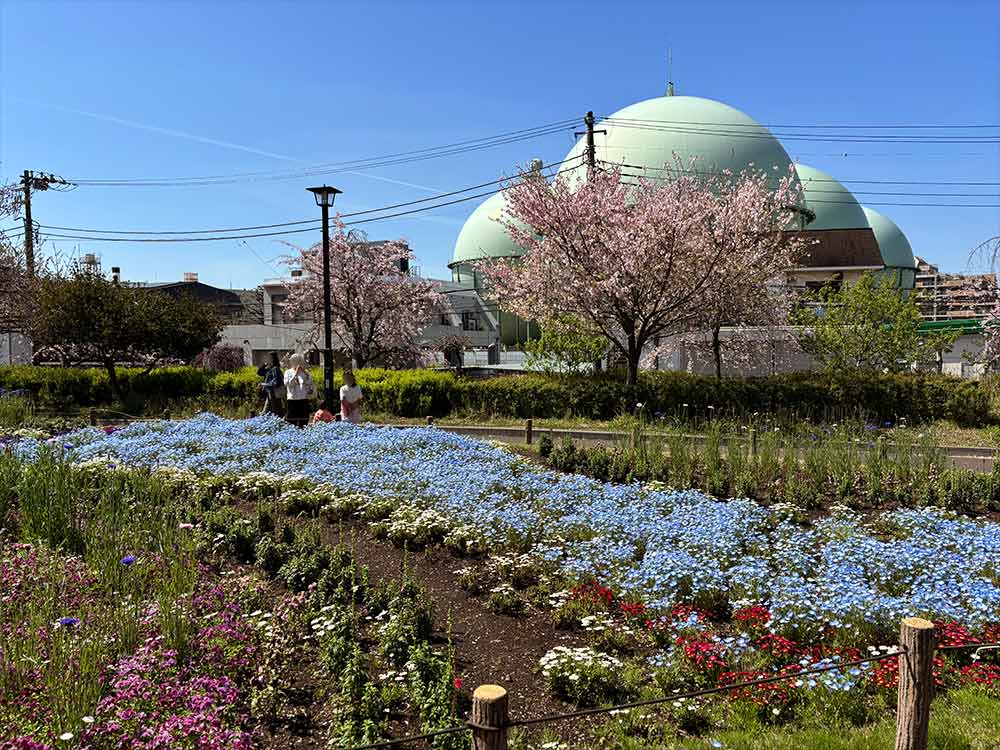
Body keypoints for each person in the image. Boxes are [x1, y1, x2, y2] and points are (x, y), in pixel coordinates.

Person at [283, 353, 315, 428]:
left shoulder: (305, 372)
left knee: (303, 420)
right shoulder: (288, 372)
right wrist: (296, 374)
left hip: (303, 398)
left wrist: (305, 374)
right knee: (292, 420)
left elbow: (310, 382)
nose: (296, 363)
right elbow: (288, 384)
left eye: (298, 361)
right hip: (292, 398)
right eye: (293, 361)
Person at [260, 351, 285, 416]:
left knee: (276, 411)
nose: (267, 359)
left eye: (268, 358)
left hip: (274, 393)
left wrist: (265, 384)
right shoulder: (270, 368)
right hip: (270, 393)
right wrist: (264, 365)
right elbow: (260, 373)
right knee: (268, 412)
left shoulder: (275, 369)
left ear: (272, 359)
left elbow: (276, 382)